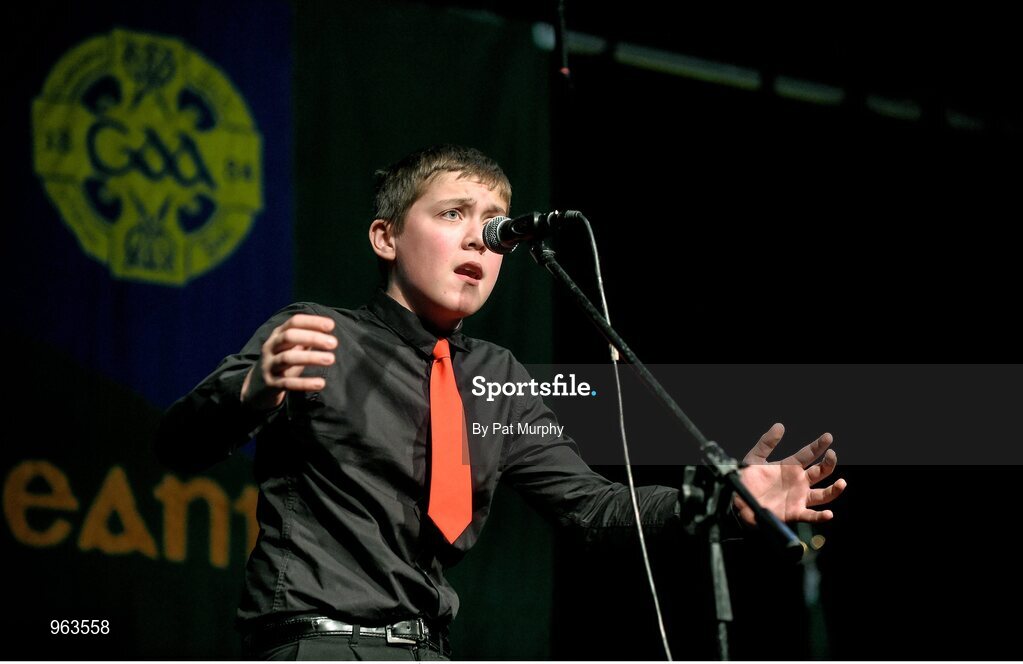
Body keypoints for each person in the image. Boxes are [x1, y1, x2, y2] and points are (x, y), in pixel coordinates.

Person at [155, 144, 846, 660]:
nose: (479, 239)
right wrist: (250, 390)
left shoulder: (495, 377)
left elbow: (591, 508)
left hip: (429, 649)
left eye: (495, 223)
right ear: (386, 237)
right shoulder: (318, 334)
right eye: (453, 214)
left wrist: (724, 502)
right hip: (317, 644)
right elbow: (175, 448)